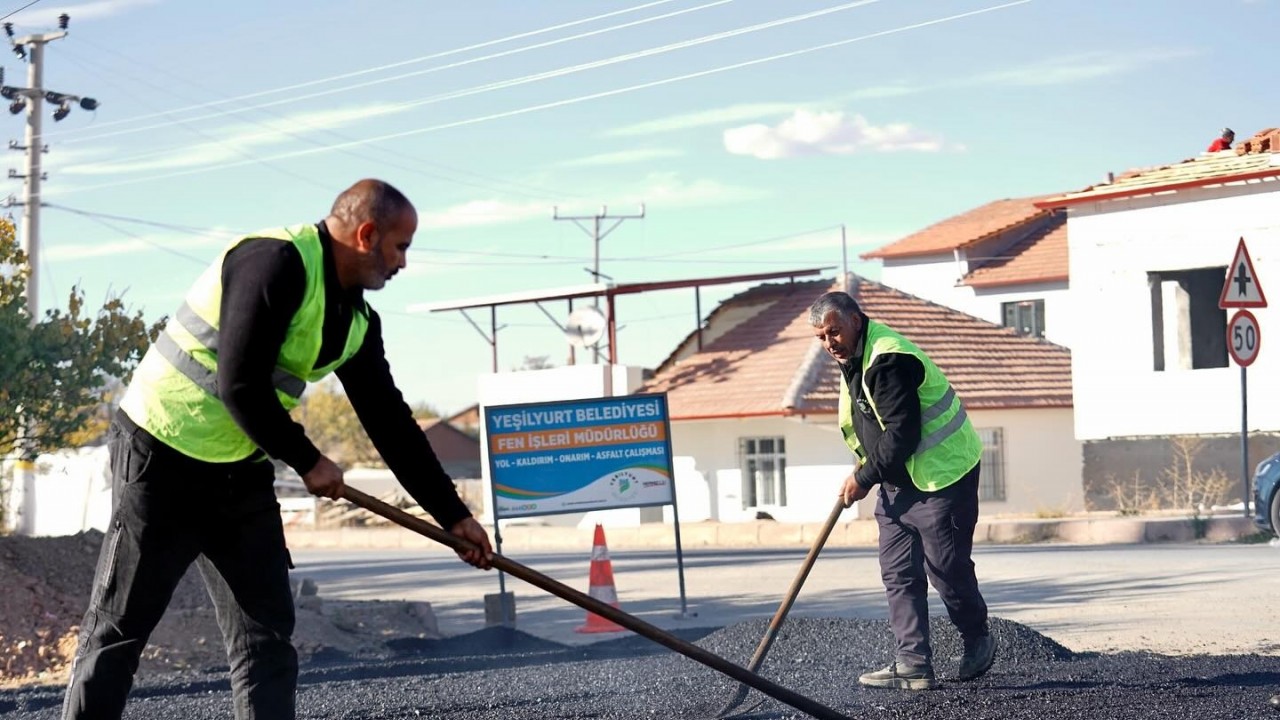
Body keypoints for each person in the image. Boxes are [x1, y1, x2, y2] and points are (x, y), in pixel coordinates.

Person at [62, 179, 494, 720]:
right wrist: (310, 460)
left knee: (266, 642)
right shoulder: (273, 262)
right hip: (162, 456)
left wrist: (453, 516)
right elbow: (238, 384)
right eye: (401, 246)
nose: (403, 262)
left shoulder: (355, 322)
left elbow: (392, 426)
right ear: (366, 234)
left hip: (239, 472)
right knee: (120, 631)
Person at [809, 290, 994, 691]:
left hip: (942, 476)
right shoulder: (852, 359)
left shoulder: (888, 359)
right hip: (896, 480)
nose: (829, 343)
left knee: (945, 568)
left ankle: (977, 636)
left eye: (834, 332)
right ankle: (913, 664)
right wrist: (870, 470)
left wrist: (862, 477)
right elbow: (873, 425)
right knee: (898, 573)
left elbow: (903, 433)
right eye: (821, 337)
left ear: (855, 321)